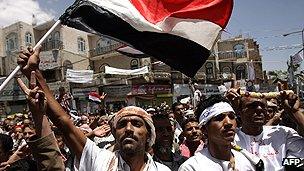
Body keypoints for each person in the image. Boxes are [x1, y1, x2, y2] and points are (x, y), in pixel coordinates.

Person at [18, 45, 170, 171]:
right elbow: (63, 123)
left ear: (149, 135)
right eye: (122, 124)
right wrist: (34, 72)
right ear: (114, 134)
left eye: (137, 124)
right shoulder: (99, 160)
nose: (128, 129)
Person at [226, 89, 304, 170]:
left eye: (263, 106)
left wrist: (295, 111)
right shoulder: (230, 138)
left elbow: (296, 161)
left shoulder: (283, 133)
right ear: (239, 111)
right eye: (252, 106)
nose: (259, 109)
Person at [179, 95, 255, 171]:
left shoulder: (248, 162)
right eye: (219, 118)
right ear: (204, 129)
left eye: (231, 117)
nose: (228, 123)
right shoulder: (191, 167)